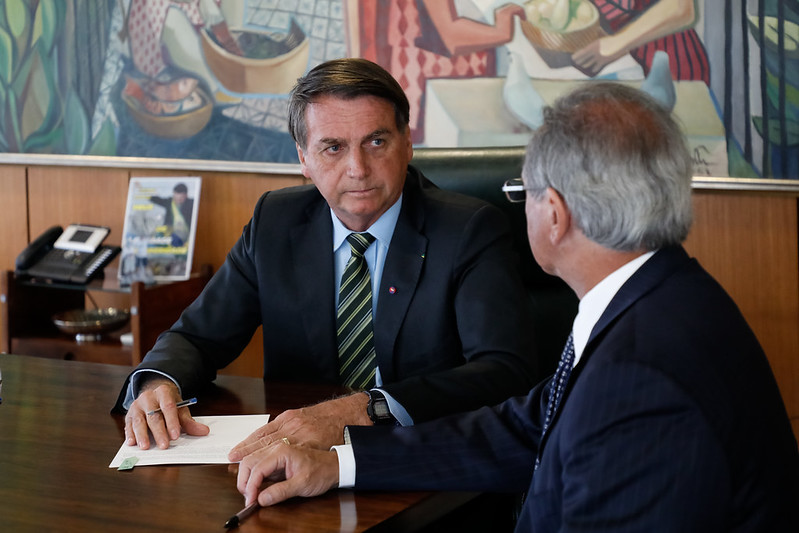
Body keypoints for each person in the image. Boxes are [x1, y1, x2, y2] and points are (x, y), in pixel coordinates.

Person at [234, 82, 799, 531]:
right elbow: (527, 427)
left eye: (520, 191)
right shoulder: (660, 298)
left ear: (554, 213)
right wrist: (340, 464)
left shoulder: (642, 371)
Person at [117, 58, 538, 455]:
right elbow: (198, 336)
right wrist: (159, 381)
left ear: (407, 143)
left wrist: (368, 408)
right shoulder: (275, 223)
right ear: (303, 159)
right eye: (332, 148)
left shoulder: (469, 230)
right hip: (295, 458)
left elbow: (504, 370)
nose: (357, 168)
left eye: (376, 141)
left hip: (417, 456)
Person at [149, 182, 194, 246]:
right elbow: (157, 200)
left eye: (181, 198)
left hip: (185, 234)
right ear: (173, 194)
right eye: (175, 197)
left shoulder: (192, 204)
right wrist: (142, 190)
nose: (178, 200)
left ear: (186, 196)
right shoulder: (169, 202)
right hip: (170, 231)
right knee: (157, 238)